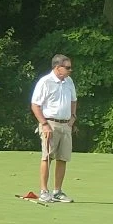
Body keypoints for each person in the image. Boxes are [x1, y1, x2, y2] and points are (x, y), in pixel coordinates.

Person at [30, 54, 78, 203]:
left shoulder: (69, 81)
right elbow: (35, 105)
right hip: (50, 124)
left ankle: (57, 191)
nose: (70, 70)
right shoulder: (45, 82)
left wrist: (73, 117)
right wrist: (44, 124)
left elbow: (73, 100)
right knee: (47, 157)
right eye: (67, 67)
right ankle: (44, 191)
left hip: (65, 124)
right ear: (58, 68)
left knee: (63, 158)